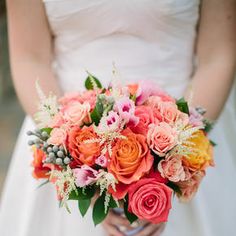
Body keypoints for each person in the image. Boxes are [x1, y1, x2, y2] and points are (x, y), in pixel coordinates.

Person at [0, 0, 235, 236]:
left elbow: (217, 57)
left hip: (187, 126)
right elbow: (29, 59)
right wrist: (76, 167)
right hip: (65, 129)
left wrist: (170, 168)